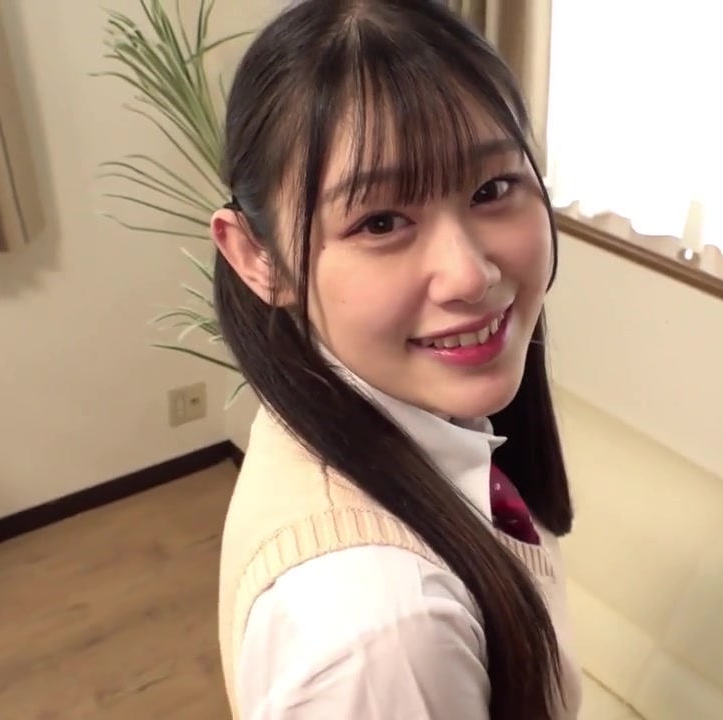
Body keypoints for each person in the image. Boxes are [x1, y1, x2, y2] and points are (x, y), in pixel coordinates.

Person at [209, 1, 579, 718]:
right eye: (380, 222)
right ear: (257, 257)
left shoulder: (357, 412)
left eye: (492, 189)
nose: (469, 275)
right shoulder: (388, 637)